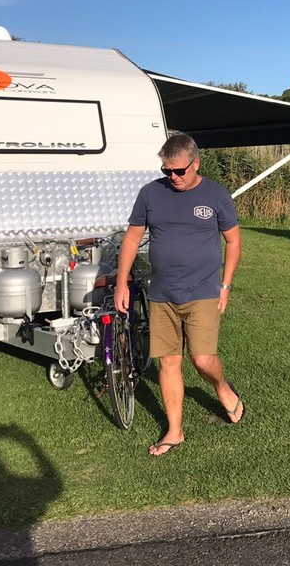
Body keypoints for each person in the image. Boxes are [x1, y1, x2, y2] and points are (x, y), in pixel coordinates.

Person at [114, 132, 244, 457]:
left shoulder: (216, 195)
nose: (173, 177)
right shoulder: (149, 194)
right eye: (166, 171)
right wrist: (120, 282)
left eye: (179, 171)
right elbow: (131, 240)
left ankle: (221, 387)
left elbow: (234, 241)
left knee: (202, 360)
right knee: (169, 362)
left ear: (195, 164)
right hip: (162, 293)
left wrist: (225, 286)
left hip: (202, 290)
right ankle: (175, 431)